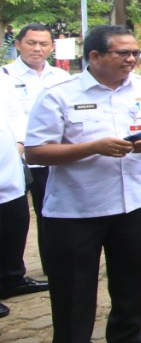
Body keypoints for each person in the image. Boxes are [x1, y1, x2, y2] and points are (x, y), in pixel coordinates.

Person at [26, 25, 141, 343]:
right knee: (73, 285)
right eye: (122, 53)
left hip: (136, 201)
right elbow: (35, 152)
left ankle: (128, 333)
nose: (132, 59)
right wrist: (94, 147)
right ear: (94, 57)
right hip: (77, 207)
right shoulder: (58, 96)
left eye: (135, 53)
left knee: (134, 272)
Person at [1, 23, 70, 292]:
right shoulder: (5, 76)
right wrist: (18, 144)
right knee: (14, 219)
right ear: (17, 44)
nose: (37, 49)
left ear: (52, 48)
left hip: (49, 159)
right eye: (31, 43)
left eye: (43, 44)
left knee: (50, 215)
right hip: (15, 160)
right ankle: (10, 273)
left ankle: (53, 268)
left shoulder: (61, 77)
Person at [0, 79, 28, 320]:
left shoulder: (2, 79)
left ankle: (12, 279)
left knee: (14, 226)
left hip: (8, 168)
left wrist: (19, 142)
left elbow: (14, 113)